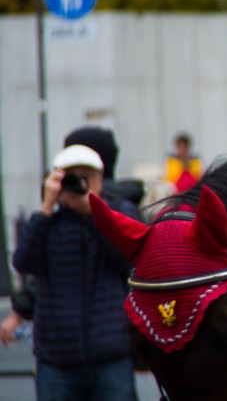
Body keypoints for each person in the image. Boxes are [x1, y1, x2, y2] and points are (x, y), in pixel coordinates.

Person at [12, 128, 141, 400]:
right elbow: (24, 262)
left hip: (110, 353)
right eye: (72, 177)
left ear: (100, 180)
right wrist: (46, 207)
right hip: (57, 358)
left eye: (86, 177)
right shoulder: (49, 222)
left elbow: (127, 258)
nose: (79, 184)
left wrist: (91, 211)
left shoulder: (120, 212)